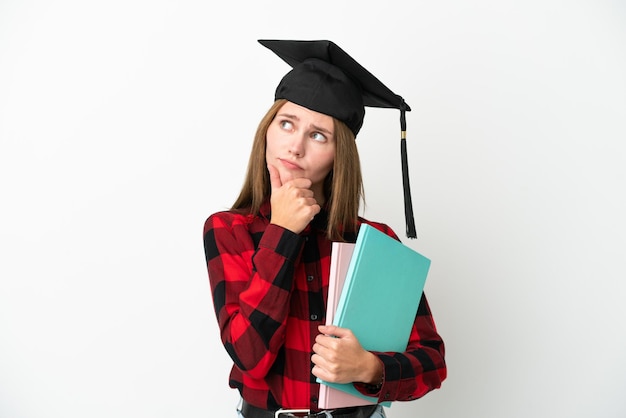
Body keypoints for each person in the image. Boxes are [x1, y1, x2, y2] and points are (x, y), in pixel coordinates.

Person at [203, 39, 446, 418]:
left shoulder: (375, 243)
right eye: (287, 124)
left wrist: (370, 368)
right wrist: (282, 231)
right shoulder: (229, 230)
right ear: (268, 131)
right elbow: (250, 354)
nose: (295, 147)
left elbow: (431, 362)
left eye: (318, 135)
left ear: (339, 155)